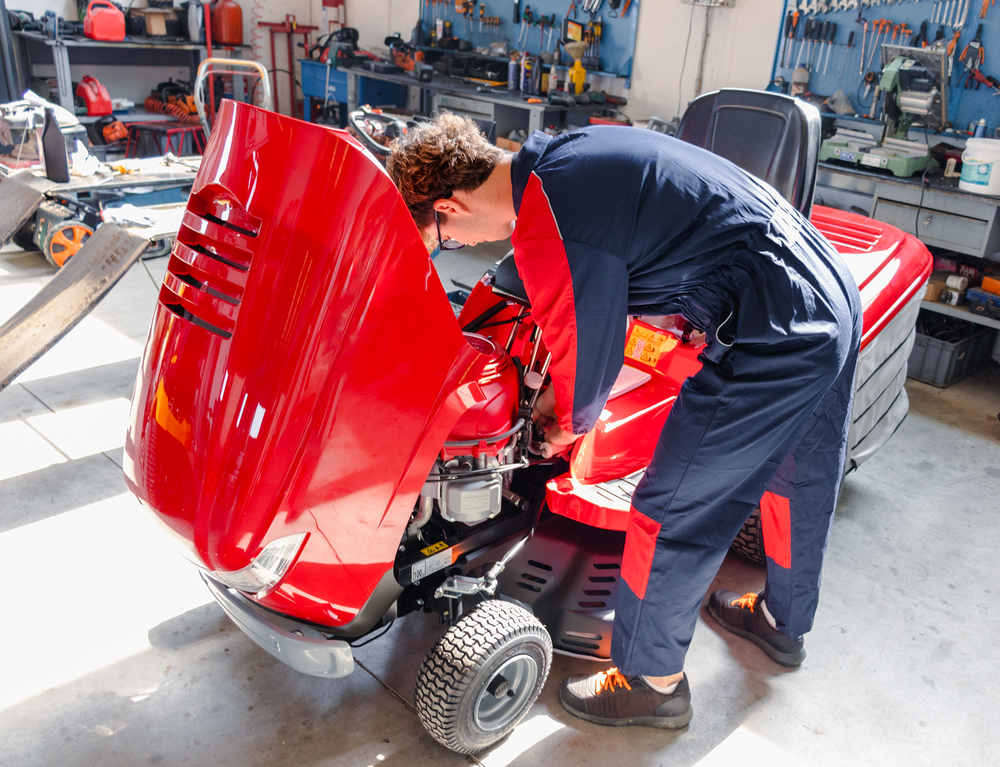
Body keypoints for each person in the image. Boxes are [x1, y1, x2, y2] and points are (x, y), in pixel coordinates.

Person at [387, 113, 862, 730]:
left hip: (769, 332)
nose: (464, 247)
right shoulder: (567, 152)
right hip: (823, 292)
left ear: (449, 206)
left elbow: (587, 349)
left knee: (671, 511)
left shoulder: (547, 225)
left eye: (444, 240)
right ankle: (782, 625)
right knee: (801, 478)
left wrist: (565, 423)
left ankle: (653, 684)